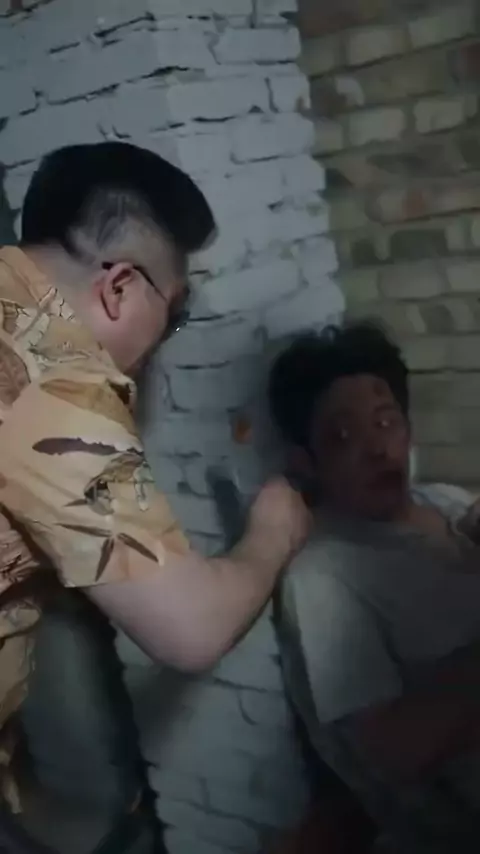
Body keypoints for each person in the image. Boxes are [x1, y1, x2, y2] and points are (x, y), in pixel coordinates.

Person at [0, 141, 309, 846]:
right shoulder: (53, 381)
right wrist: (274, 532)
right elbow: (190, 628)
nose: (164, 342)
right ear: (119, 287)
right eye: (174, 314)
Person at [269, 321, 480, 853]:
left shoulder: (444, 502)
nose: (378, 449)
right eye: (343, 437)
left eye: (387, 422)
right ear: (305, 462)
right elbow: (396, 754)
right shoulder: (322, 578)